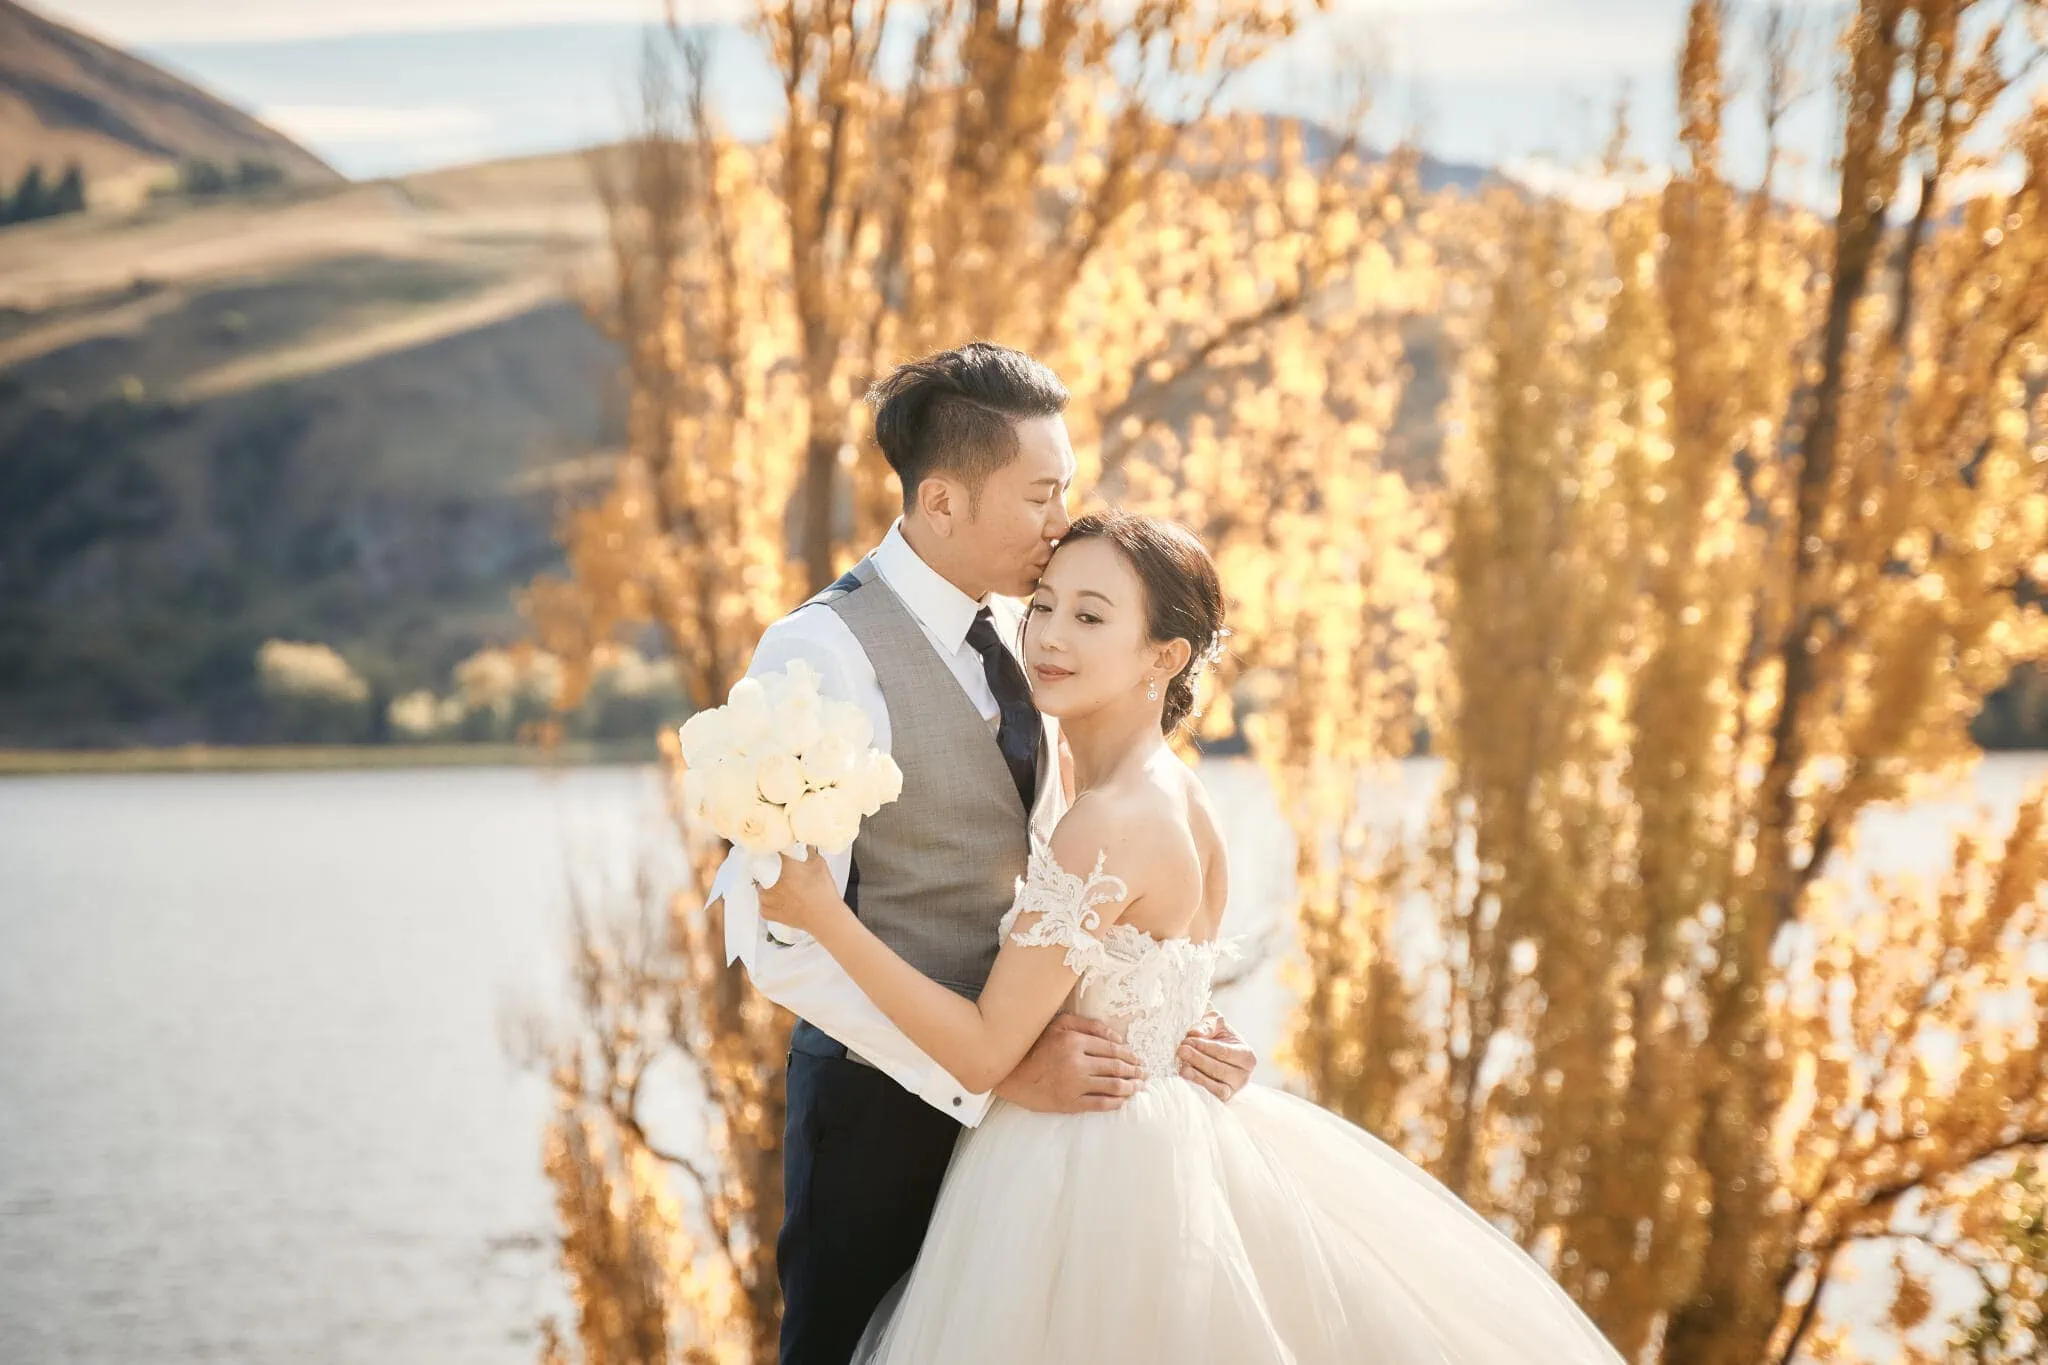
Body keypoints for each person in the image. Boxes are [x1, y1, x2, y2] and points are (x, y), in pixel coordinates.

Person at [756, 510, 1630, 1364]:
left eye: (1091, 617)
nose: (1051, 636)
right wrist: (1182, 1031)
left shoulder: (1107, 819)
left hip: (1082, 1173)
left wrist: (824, 916)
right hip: (1167, 1132)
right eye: (1046, 605)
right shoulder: (1177, 791)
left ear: (1164, 657)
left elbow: (986, 1051)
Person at [711, 343, 1258, 1365]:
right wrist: (996, 1074)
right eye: (1040, 495)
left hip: (1053, 1129)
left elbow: (1103, 880)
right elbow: (775, 930)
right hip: (879, 1119)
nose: (1061, 526)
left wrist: (1170, 1024)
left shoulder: (1038, 627)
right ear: (942, 502)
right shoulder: (820, 654)